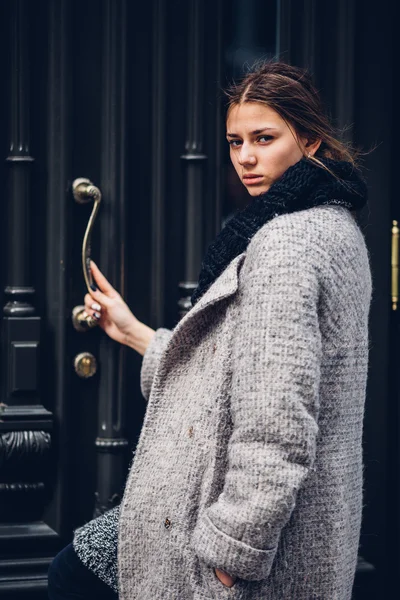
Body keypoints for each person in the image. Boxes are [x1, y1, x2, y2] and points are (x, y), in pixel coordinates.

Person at [48, 60, 372, 600]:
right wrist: (134, 332)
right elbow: (237, 366)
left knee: (70, 574)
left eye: (264, 139)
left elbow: (278, 420)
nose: (246, 158)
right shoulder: (336, 227)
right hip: (288, 523)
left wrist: (234, 550)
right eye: (234, 141)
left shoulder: (284, 245)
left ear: (310, 139)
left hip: (231, 523)